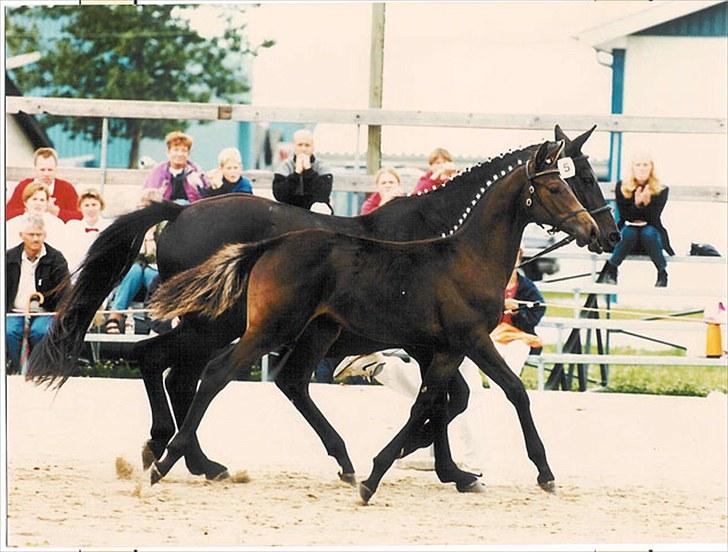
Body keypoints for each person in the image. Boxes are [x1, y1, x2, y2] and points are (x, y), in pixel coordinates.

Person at [334, 247, 545, 472]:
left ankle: (382, 370)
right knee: (460, 391)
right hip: (458, 333)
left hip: (478, 337)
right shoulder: (475, 264)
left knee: (452, 391)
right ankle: (467, 459)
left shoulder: (510, 280)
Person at [6, 215, 70, 374]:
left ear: (45, 235)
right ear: (21, 235)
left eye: (39, 234)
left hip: (45, 312)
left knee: (40, 332)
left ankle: (37, 369)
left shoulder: (56, 258)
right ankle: (19, 368)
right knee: (10, 332)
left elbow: (65, 291)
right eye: (31, 234)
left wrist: (60, 314)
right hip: (14, 312)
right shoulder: (8, 258)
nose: (35, 239)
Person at [602, 152, 674, 287]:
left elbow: (654, 218)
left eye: (645, 165)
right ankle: (612, 269)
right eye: (638, 165)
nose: (642, 168)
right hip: (628, 241)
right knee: (629, 232)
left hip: (651, 241)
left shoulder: (661, 189)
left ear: (651, 168)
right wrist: (637, 204)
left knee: (648, 232)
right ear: (633, 168)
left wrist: (645, 204)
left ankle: (662, 273)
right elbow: (625, 216)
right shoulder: (622, 187)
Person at [104, 190, 163, 334]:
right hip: (132, 272)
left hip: (155, 271)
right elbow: (128, 257)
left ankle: (156, 316)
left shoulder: (164, 229)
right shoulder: (131, 228)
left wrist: (149, 238)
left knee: (151, 273)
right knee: (135, 270)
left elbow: (157, 258)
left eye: (146, 208)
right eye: (140, 207)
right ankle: (115, 316)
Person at [6, 147, 82, 222]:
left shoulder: (66, 188)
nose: (46, 174)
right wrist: (31, 209)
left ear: (56, 169)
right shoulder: (24, 186)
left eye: (50, 170)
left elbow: (80, 216)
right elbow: (8, 213)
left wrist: (57, 212)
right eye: (42, 170)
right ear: (35, 168)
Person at [272, 129, 333, 212]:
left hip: (315, 212)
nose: (303, 149)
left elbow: (322, 195)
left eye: (307, 145)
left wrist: (309, 171)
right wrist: (296, 174)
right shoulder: (285, 166)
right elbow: (279, 196)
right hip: (290, 211)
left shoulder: (322, 167)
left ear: (313, 147)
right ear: (294, 146)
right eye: (300, 145)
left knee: (321, 207)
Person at [142, 131, 210, 204]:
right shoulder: (158, 171)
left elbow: (205, 195)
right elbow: (147, 199)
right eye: (176, 150)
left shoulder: (195, 170)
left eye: (184, 151)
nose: (180, 154)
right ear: (168, 152)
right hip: (162, 209)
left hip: (191, 210)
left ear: (188, 154)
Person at [6, 181, 66, 250]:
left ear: (47, 203)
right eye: (34, 199)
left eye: (42, 200)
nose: (38, 203)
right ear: (25, 202)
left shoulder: (57, 224)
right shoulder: (12, 224)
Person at [63, 188, 110, 274]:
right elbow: (68, 253)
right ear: (80, 208)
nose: (90, 209)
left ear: (101, 206)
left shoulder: (109, 226)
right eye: (86, 205)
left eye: (94, 205)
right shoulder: (72, 226)